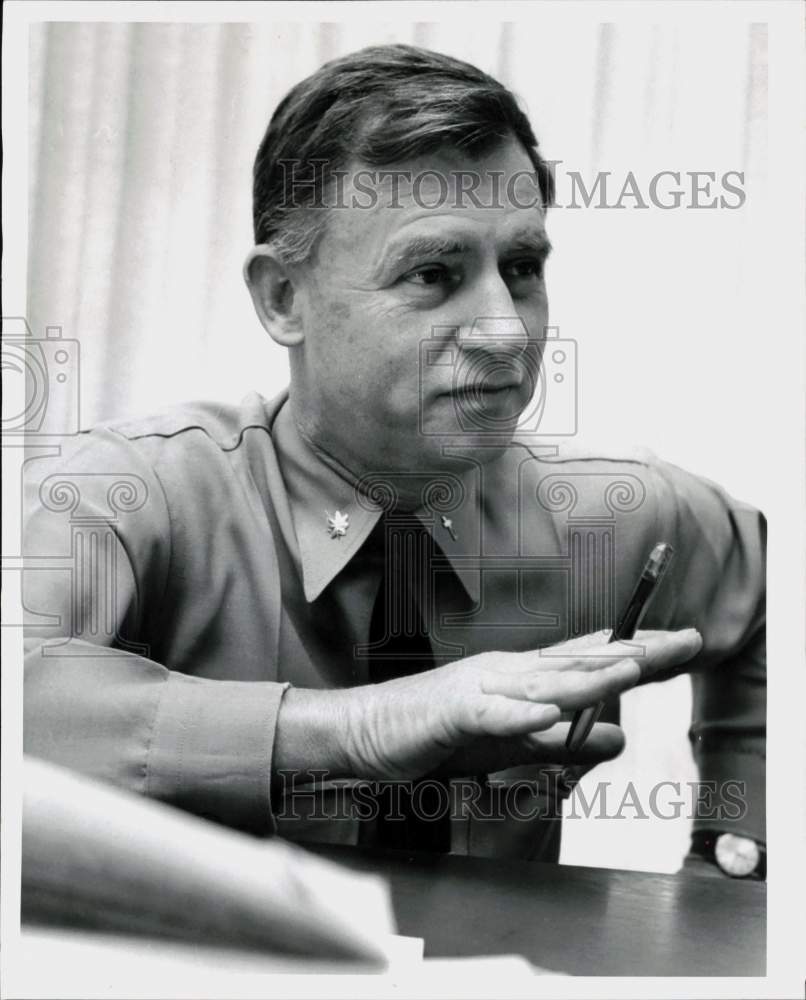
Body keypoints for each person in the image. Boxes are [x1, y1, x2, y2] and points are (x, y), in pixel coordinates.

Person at [23, 45, 765, 876]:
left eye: (521, 269)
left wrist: (743, 840)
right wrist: (364, 728)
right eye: (433, 274)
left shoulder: (611, 516)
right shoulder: (128, 496)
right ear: (282, 298)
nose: (506, 331)